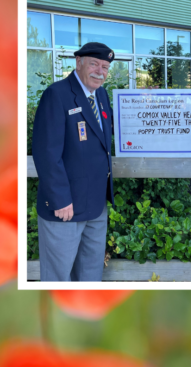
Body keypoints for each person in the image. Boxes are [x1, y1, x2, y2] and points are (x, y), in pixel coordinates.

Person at [32, 42, 115, 281]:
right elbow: (47, 152)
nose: (100, 72)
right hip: (65, 208)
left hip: (96, 206)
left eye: (105, 67)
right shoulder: (57, 94)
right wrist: (60, 199)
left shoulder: (100, 94)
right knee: (58, 278)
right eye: (94, 64)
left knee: (91, 274)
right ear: (78, 63)